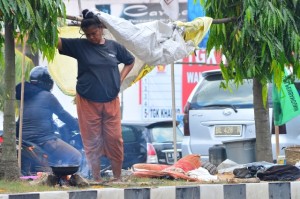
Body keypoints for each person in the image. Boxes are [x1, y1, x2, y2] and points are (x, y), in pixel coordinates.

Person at [57, 9, 135, 182]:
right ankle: (97, 178)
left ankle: (117, 177)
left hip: (110, 100)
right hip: (87, 100)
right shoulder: (80, 46)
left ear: (101, 28)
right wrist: (46, 23)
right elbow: (56, 42)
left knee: (114, 139)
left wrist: (119, 79)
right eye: (87, 35)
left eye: (94, 33)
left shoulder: (114, 47)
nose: (91, 37)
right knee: (92, 139)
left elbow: (130, 61)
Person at [16, 66, 82, 174]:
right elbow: (63, 115)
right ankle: (65, 181)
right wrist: (79, 126)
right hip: (44, 141)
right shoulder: (48, 97)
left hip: (25, 140)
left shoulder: (25, 97)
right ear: (47, 82)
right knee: (76, 156)